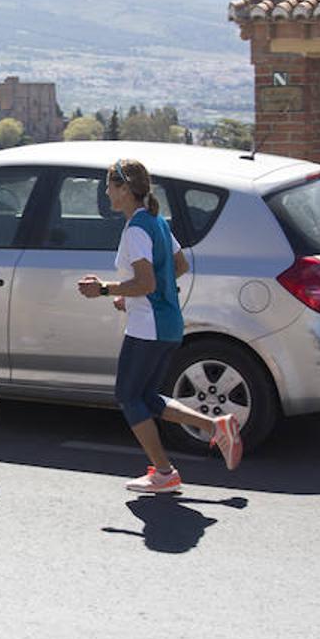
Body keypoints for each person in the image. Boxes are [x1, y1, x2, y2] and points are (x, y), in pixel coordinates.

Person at [77, 158, 242, 493]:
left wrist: (107, 289)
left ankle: (164, 473)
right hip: (166, 324)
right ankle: (215, 426)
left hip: (148, 327)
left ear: (124, 189)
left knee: (127, 395)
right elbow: (177, 265)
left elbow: (146, 282)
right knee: (146, 398)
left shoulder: (137, 229)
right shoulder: (157, 222)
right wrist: (135, 294)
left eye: (110, 186)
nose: (106, 192)